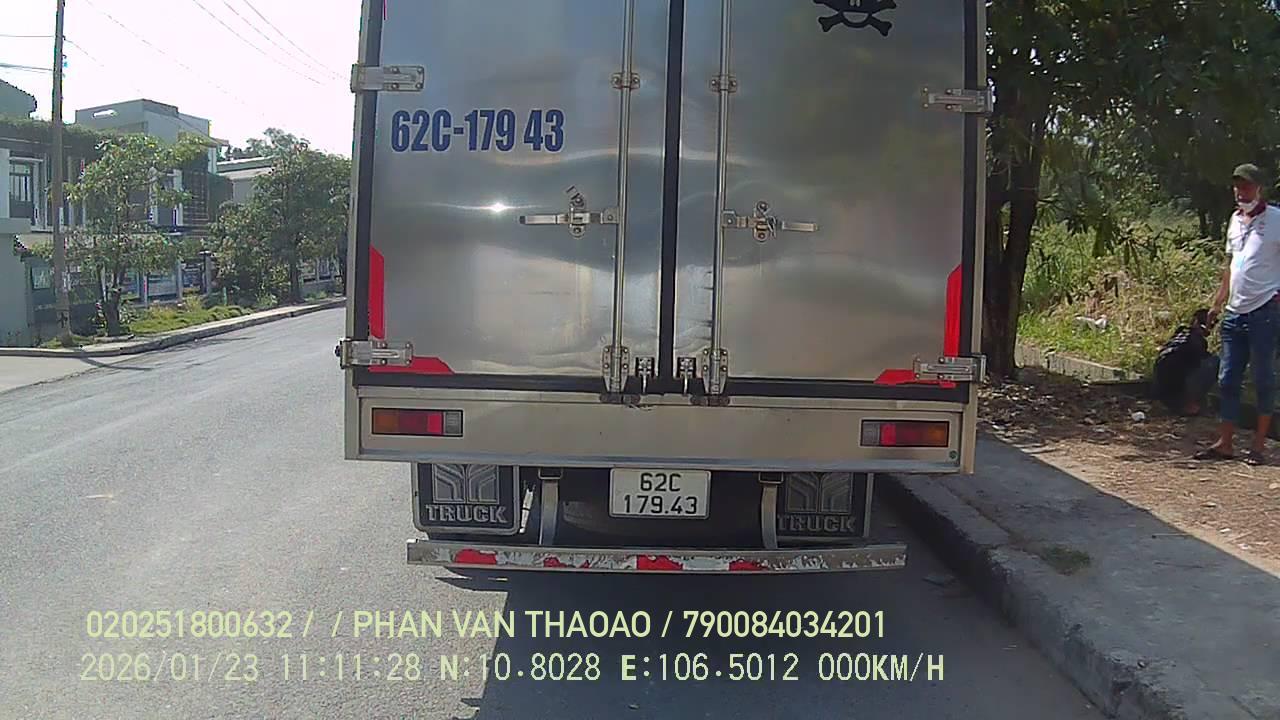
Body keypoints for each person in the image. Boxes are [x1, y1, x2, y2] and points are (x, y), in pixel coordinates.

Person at [1195, 163, 1280, 465]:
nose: (1241, 192)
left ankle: (1258, 446)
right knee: (1228, 378)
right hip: (1235, 311)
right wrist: (1217, 304)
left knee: (1263, 378)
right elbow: (1231, 267)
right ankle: (1226, 443)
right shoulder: (1235, 221)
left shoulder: (1276, 219)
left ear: (1259, 188)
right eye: (1237, 186)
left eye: (1246, 186)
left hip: (1264, 309)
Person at [1153, 309, 1218, 416]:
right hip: (1176, 389)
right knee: (1214, 362)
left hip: (1161, 388)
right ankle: (1188, 403)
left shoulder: (1179, 334)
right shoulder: (1196, 341)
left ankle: (1179, 402)